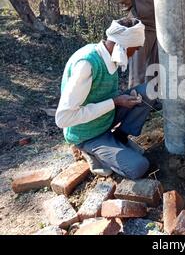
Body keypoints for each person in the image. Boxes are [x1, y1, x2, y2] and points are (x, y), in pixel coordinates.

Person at [55, 17, 155, 179]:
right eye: (134, 49)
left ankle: (118, 138)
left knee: (147, 92)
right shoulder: (87, 64)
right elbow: (63, 118)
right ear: (123, 46)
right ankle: (91, 151)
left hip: (105, 119)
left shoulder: (110, 54)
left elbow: (100, 93)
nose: (135, 53)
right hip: (87, 133)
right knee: (139, 167)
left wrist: (119, 99)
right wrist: (115, 101)